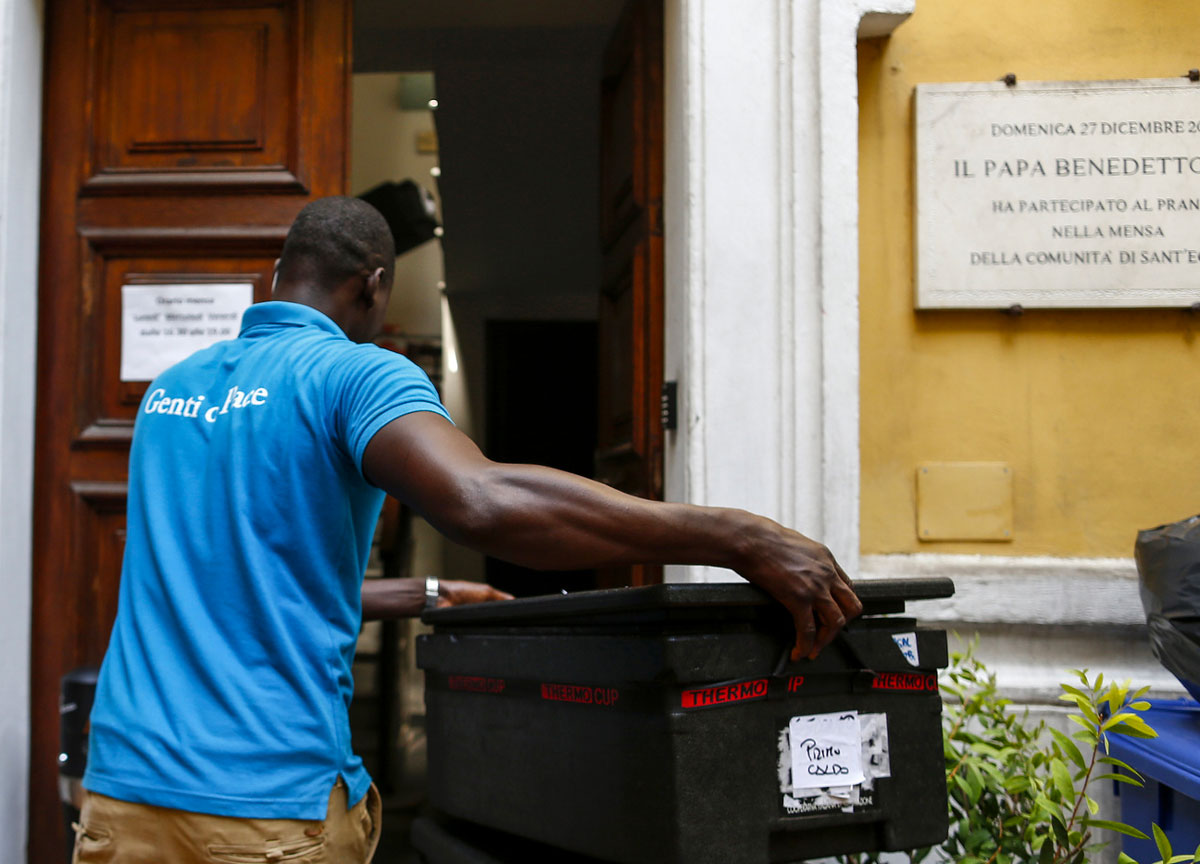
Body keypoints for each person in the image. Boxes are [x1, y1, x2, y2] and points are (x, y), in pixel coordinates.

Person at [75, 196, 862, 864]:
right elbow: (480, 499)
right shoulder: (354, 373)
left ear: (279, 274)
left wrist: (433, 590)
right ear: (375, 286)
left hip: (124, 792)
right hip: (259, 804)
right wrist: (737, 537)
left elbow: (260, 582)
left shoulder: (170, 393)